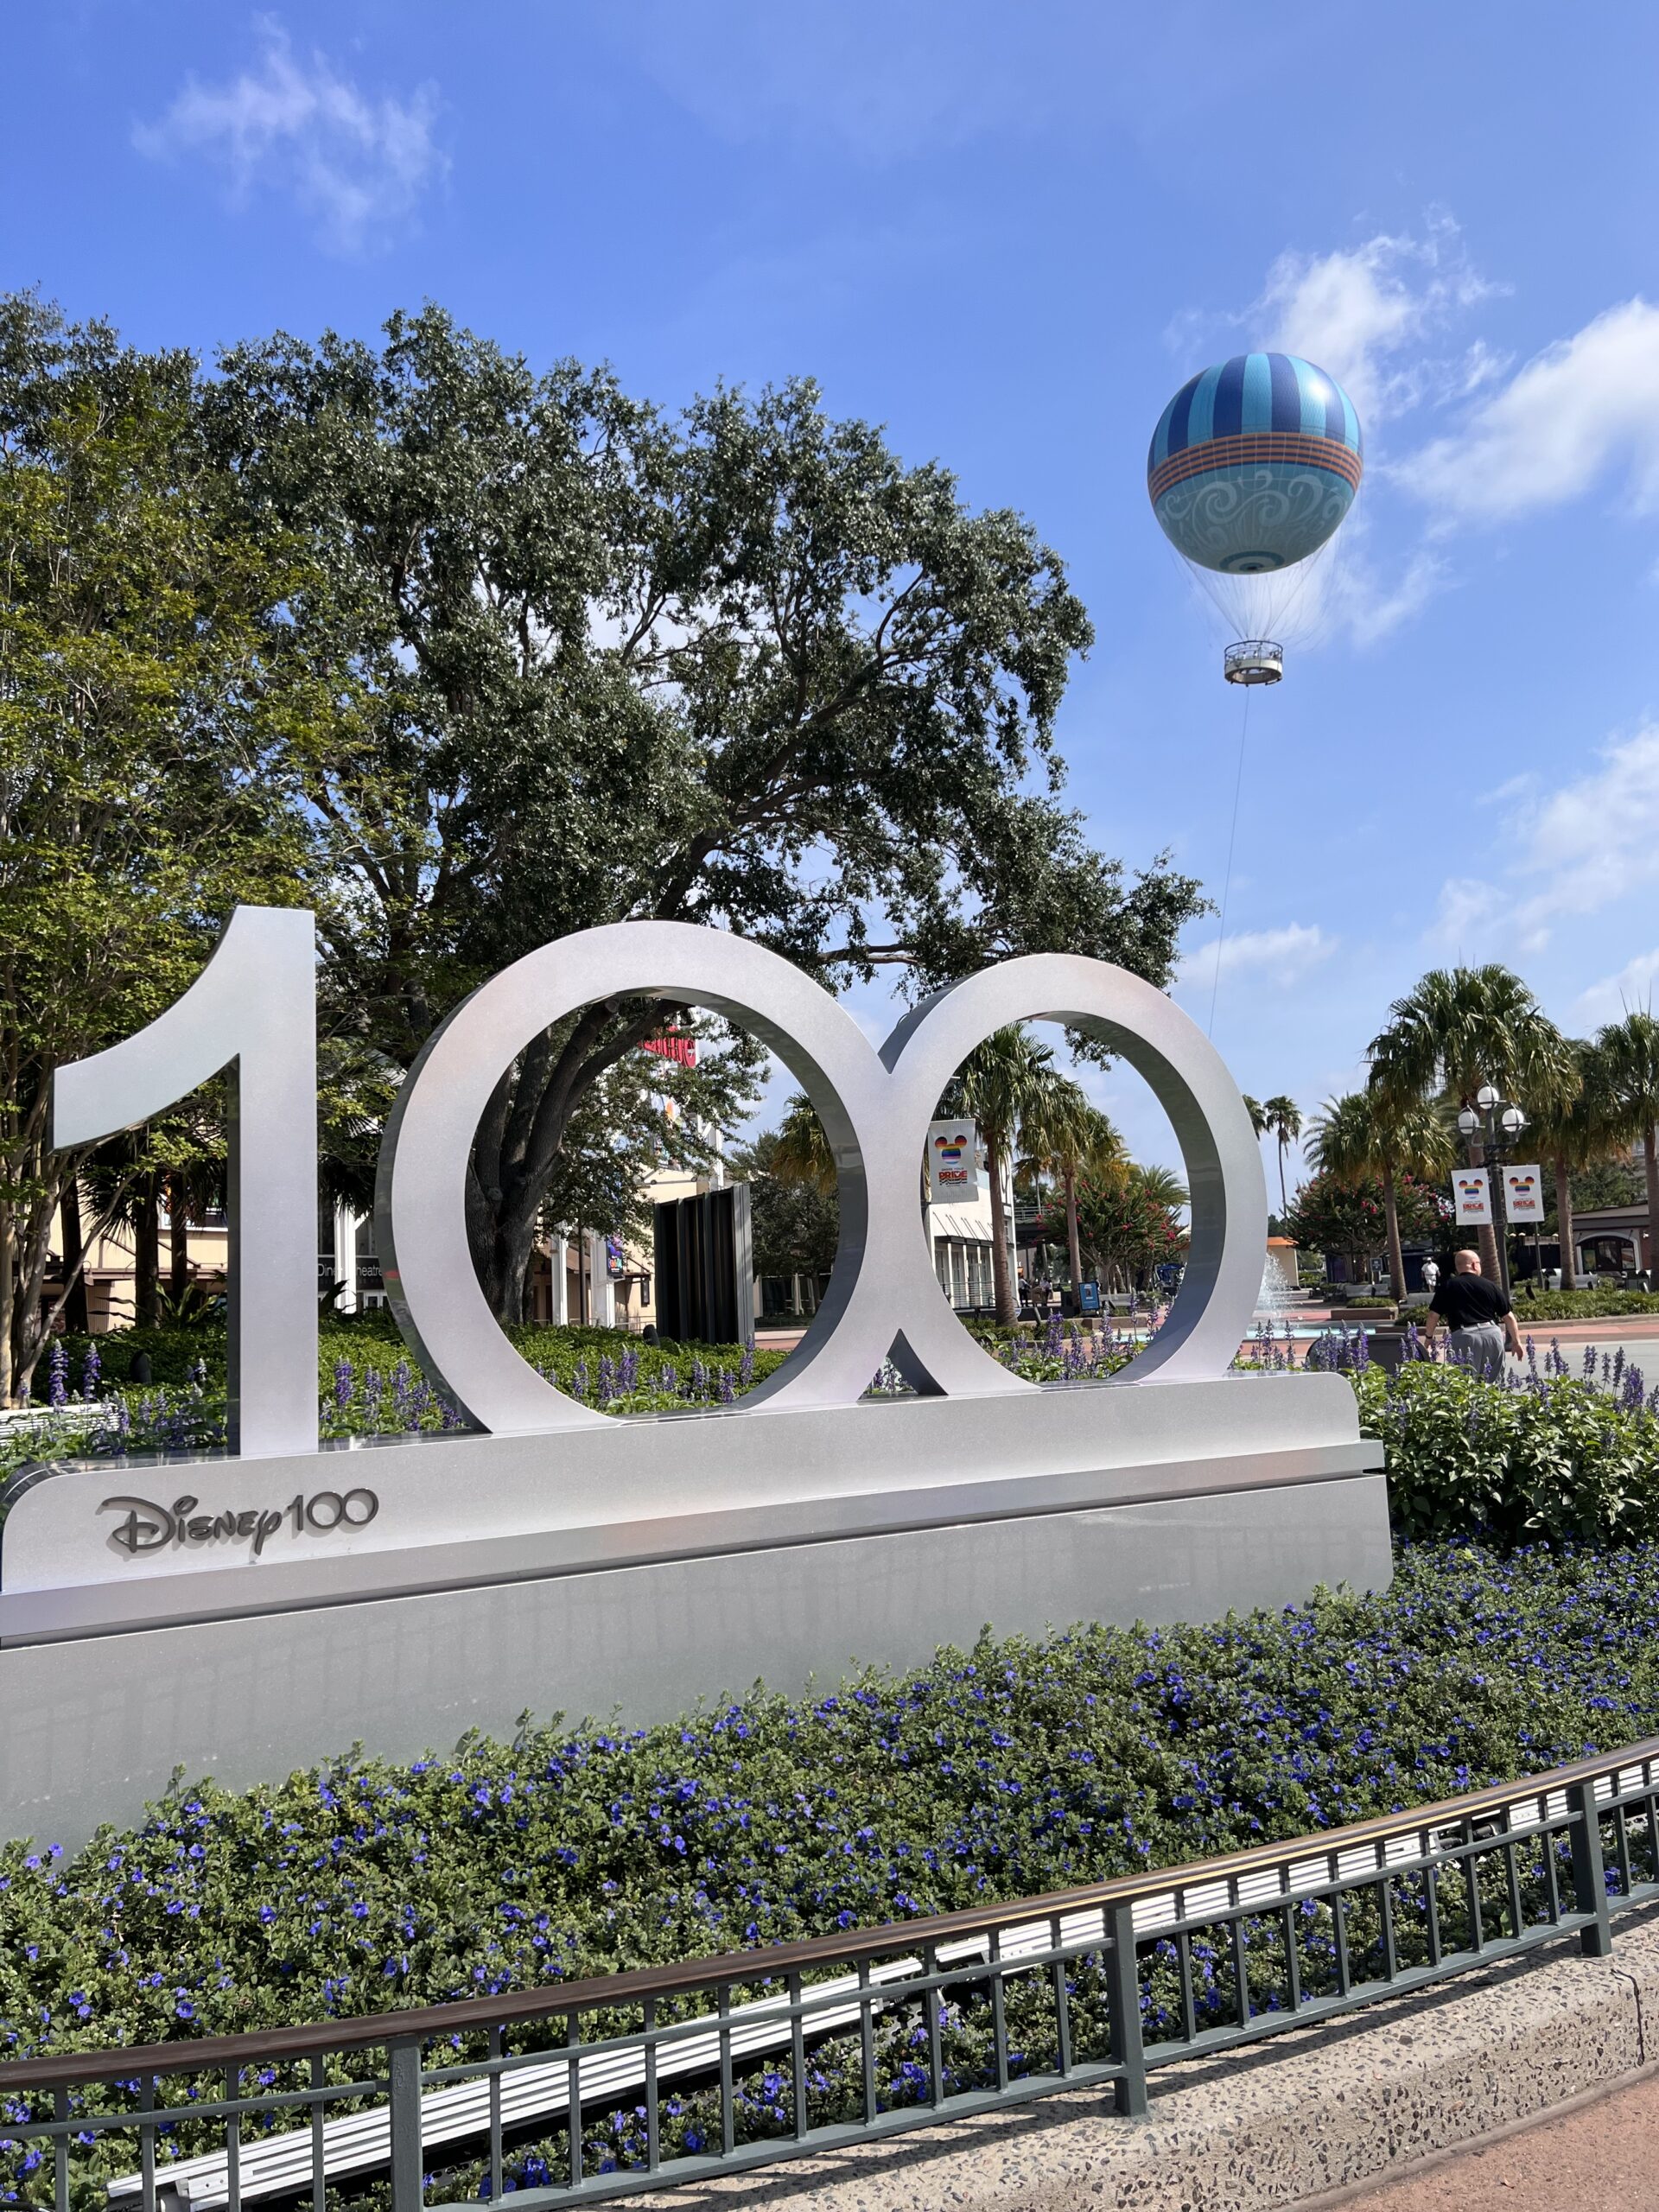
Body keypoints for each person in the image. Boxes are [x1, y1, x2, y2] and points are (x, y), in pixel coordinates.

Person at [1422, 1250, 1522, 1375]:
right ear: (1474, 1265)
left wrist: (1429, 1337)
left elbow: (1433, 1315)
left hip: (1464, 1336)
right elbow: (1509, 1317)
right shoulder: (1491, 1286)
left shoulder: (1448, 1286)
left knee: (1465, 1384)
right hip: (1492, 1334)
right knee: (1493, 1382)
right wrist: (1516, 1342)